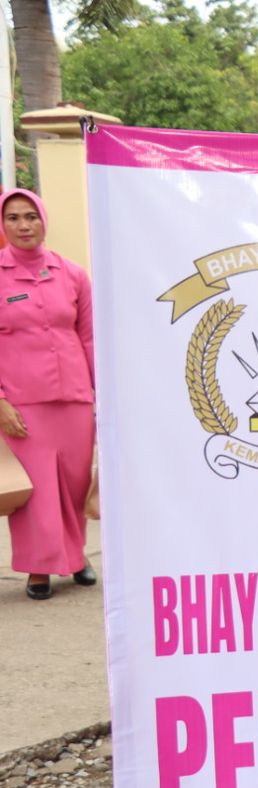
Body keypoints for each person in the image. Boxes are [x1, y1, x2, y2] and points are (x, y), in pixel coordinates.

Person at [0, 188, 95, 601]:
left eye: (30, 217)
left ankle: (76, 557)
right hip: (22, 401)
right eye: (13, 218)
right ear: (3, 226)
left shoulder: (72, 274)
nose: (23, 225)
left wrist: (100, 392)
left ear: (43, 220)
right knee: (36, 490)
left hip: (75, 396)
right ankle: (39, 567)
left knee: (74, 483)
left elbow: (89, 337)